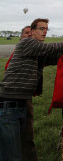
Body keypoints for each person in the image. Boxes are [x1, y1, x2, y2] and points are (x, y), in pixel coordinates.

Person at [0, 18, 63, 161]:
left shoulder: (38, 53)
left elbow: (57, 58)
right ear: (32, 32)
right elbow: (50, 49)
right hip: (9, 105)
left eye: (46, 29)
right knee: (11, 155)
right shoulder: (27, 43)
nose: (45, 32)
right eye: (41, 29)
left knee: (24, 146)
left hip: (21, 104)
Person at [4, 26, 38, 161]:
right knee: (15, 140)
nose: (29, 35)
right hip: (14, 98)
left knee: (27, 137)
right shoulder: (21, 51)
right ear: (21, 37)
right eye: (26, 33)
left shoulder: (34, 50)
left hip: (24, 97)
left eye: (31, 33)